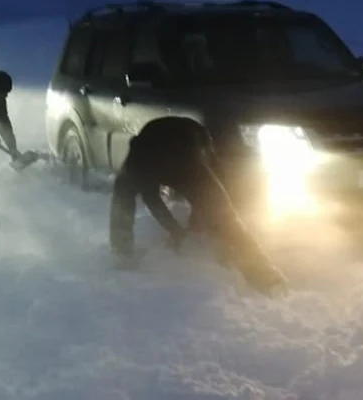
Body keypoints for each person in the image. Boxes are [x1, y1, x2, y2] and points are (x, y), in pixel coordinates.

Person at [109, 116, 289, 296]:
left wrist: (200, 225)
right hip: (153, 144)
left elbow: (215, 199)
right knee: (122, 196)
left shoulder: (192, 165)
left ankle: (266, 278)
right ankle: (122, 252)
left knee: (223, 214)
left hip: (190, 138)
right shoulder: (136, 169)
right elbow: (153, 201)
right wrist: (175, 230)